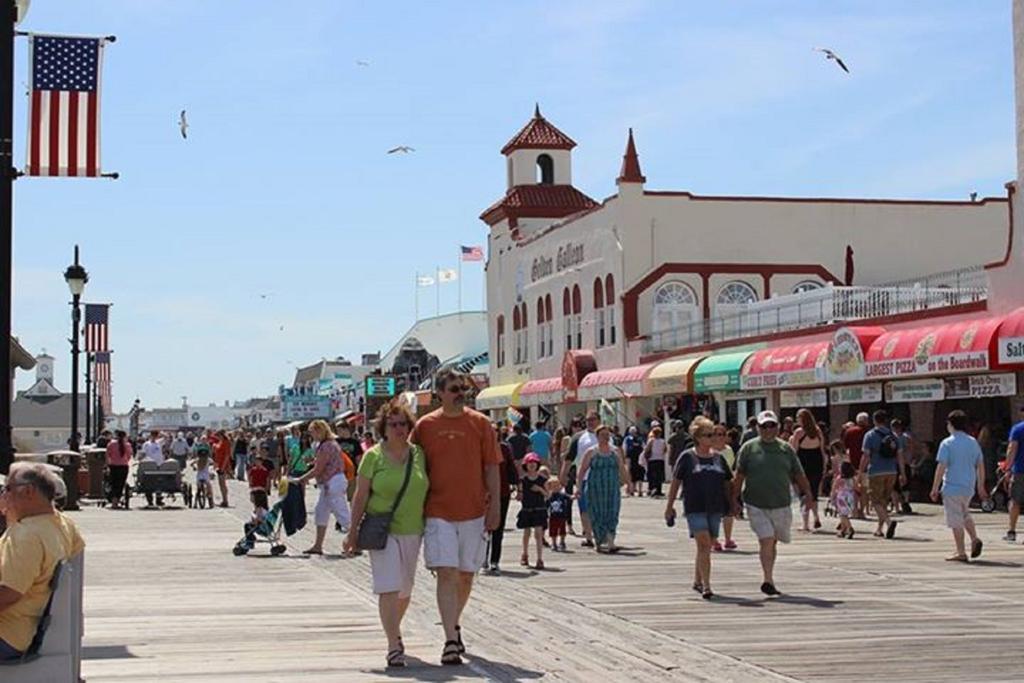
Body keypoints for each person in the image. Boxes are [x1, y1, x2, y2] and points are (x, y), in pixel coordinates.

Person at [410, 369, 500, 666]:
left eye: (462, 388)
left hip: (474, 511)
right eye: (453, 388)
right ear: (439, 393)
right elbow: (411, 464)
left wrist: (496, 505)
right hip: (437, 511)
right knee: (446, 572)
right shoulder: (424, 426)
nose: (460, 392)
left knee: (465, 575)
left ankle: (454, 623)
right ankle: (450, 639)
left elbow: (491, 467)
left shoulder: (481, 423)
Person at [344, 399, 429, 669]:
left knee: (405, 589)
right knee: (389, 586)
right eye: (392, 424)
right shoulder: (373, 456)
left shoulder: (418, 454)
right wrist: (352, 531)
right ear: (383, 427)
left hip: (413, 529)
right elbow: (360, 496)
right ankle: (393, 645)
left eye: (403, 423)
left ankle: (395, 630)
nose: (398, 428)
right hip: (382, 529)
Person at [0, 462, 85, 660]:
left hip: (9, 635)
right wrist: (12, 515)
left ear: (29, 491)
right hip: (30, 627)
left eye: (8, 488)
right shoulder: (62, 524)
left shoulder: (26, 536)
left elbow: (9, 594)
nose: (4, 495)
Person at [732, 410, 814, 596]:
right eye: (764, 426)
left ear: (777, 427)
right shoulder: (748, 448)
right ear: (758, 428)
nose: (768, 430)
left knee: (773, 541)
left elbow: (798, 474)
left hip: (781, 503)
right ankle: (767, 579)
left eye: (772, 425)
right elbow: (739, 476)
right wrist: (734, 499)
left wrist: (808, 493)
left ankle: (769, 575)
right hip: (755, 502)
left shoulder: (786, 449)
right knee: (766, 539)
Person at [665, 417, 734, 600]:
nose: (713, 438)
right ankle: (707, 585)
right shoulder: (687, 457)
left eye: (714, 435)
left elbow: (728, 481)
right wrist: (669, 506)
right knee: (704, 543)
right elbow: (676, 482)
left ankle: (697, 579)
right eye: (708, 435)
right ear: (697, 437)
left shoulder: (719, 459)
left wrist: (733, 503)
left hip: (715, 506)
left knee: (706, 544)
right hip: (694, 506)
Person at [931, 410, 986, 562]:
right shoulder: (973, 442)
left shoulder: (947, 443)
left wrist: (935, 488)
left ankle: (961, 551)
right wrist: (980, 485)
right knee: (965, 513)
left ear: (950, 425)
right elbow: (980, 464)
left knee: (955, 519)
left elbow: (941, 467)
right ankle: (974, 538)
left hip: (952, 486)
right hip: (968, 486)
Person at [298, 419, 352, 555]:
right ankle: (318, 545)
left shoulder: (326, 445)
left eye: (312, 432)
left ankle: (356, 543)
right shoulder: (328, 444)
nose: (311, 435)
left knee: (342, 514)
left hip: (332, 483)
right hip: (330, 483)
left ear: (319, 431)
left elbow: (318, 469)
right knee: (321, 512)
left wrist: (302, 479)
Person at [576, 425, 630, 553]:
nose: (606, 437)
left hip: (611, 486)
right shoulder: (591, 452)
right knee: (596, 513)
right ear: (597, 436)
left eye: (608, 435)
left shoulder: (615, 451)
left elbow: (622, 468)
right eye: (603, 435)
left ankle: (611, 542)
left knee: (612, 512)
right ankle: (599, 542)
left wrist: (628, 482)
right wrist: (578, 487)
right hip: (595, 487)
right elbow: (582, 470)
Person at [860, 410, 906, 539]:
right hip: (892, 471)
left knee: (875, 500)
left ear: (874, 420)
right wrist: (902, 473)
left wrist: (860, 472)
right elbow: (900, 456)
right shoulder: (894, 436)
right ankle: (879, 529)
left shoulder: (870, 435)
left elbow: (866, 456)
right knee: (884, 501)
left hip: (876, 471)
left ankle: (889, 522)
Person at [559, 413, 600, 546]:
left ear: (599, 420)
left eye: (593, 420)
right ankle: (588, 536)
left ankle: (601, 533)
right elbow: (569, 458)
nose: (590, 422)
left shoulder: (606, 435)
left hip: (603, 478)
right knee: (585, 508)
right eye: (587, 420)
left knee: (601, 507)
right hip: (584, 478)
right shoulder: (578, 437)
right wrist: (563, 474)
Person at [789, 409, 828, 532]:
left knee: (804, 493)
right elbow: (822, 451)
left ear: (802, 419)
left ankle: (805, 524)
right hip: (817, 463)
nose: (796, 420)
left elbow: (793, 451)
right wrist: (825, 466)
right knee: (814, 492)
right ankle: (816, 516)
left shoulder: (799, 432)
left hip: (803, 464)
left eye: (798, 417)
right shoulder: (817, 431)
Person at [486, 430, 517, 575]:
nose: (493, 434)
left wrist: (518, 486)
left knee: (498, 527)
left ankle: (494, 561)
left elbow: (511, 468)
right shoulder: (480, 447)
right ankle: (482, 558)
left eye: (495, 432)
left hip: (503, 493)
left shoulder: (504, 448)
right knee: (483, 528)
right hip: (483, 495)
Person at [517, 453, 549, 569]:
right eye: (529, 463)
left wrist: (540, 489)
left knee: (538, 533)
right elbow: (519, 494)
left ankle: (539, 558)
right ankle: (525, 554)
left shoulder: (542, 479)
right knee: (527, 533)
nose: (532, 465)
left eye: (534, 463)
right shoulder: (523, 480)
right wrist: (519, 495)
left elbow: (548, 495)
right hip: (527, 508)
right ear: (526, 465)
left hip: (539, 508)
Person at [711, 423, 738, 550]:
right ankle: (714, 540)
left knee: (728, 512)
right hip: (713, 484)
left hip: (727, 483)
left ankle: (728, 539)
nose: (720, 437)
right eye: (717, 434)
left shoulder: (728, 450)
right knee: (714, 513)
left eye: (723, 434)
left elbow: (732, 467)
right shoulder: (709, 450)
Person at [1003, 406, 1024, 543]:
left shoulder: (1018, 429)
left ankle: (1012, 531)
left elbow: (1012, 449)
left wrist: (1007, 468)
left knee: (1015, 501)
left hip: (1020, 470)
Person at [843, 413, 870, 518]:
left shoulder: (849, 432)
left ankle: (854, 511)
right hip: (866, 466)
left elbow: (845, 448)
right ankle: (861, 512)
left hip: (852, 465)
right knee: (864, 489)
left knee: (852, 489)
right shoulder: (868, 432)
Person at [105, 429, 132, 509]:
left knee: (113, 483)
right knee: (120, 484)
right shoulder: (127, 445)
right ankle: (117, 500)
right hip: (123, 466)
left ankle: (114, 501)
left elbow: (107, 455)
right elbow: (129, 456)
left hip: (113, 466)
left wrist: (107, 465)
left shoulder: (111, 444)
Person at [831, 461, 858, 539]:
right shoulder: (853, 478)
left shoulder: (839, 478)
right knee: (845, 514)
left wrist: (832, 496)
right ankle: (843, 530)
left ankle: (850, 528)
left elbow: (834, 488)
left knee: (842, 515)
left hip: (841, 497)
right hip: (850, 496)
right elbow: (856, 487)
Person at [642, 426, 668, 497]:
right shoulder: (663, 441)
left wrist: (646, 455)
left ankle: (652, 489)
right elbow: (665, 450)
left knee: (652, 475)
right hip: (660, 460)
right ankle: (659, 490)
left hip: (652, 460)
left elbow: (647, 449)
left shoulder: (651, 441)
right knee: (659, 476)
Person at [546, 478, 570, 551]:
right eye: (553, 486)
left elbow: (569, 497)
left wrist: (574, 496)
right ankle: (554, 543)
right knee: (553, 530)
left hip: (562, 516)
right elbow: (546, 505)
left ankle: (562, 542)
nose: (556, 488)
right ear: (550, 488)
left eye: (557, 485)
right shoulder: (550, 497)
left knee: (562, 530)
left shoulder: (562, 495)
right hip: (553, 516)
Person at [211, 430, 232, 508]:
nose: (217, 437)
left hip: (223, 465)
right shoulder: (220, 442)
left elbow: (227, 456)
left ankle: (225, 500)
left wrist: (223, 467)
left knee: (222, 483)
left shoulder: (226, 442)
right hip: (219, 464)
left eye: (218, 435)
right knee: (221, 483)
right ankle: (224, 499)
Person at [623, 426, 645, 496]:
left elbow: (625, 448)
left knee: (631, 473)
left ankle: (632, 490)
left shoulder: (627, 439)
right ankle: (639, 491)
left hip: (631, 458)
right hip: (639, 459)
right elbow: (644, 447)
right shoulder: (640, 439)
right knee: (640, 474)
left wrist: (624, 456)